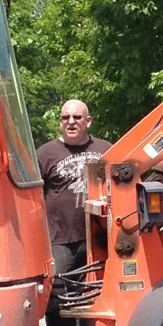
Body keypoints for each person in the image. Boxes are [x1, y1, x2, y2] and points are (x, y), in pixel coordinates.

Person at [35, 99, 112, 274]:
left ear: (88, 121)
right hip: (60, 240)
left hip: (100, 237)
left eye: (77, 117)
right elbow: (32, 198)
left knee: (99, 286)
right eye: (65, 117)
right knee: (58, 289)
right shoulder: (44, 154)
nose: (70, 122)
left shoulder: (106, 149)